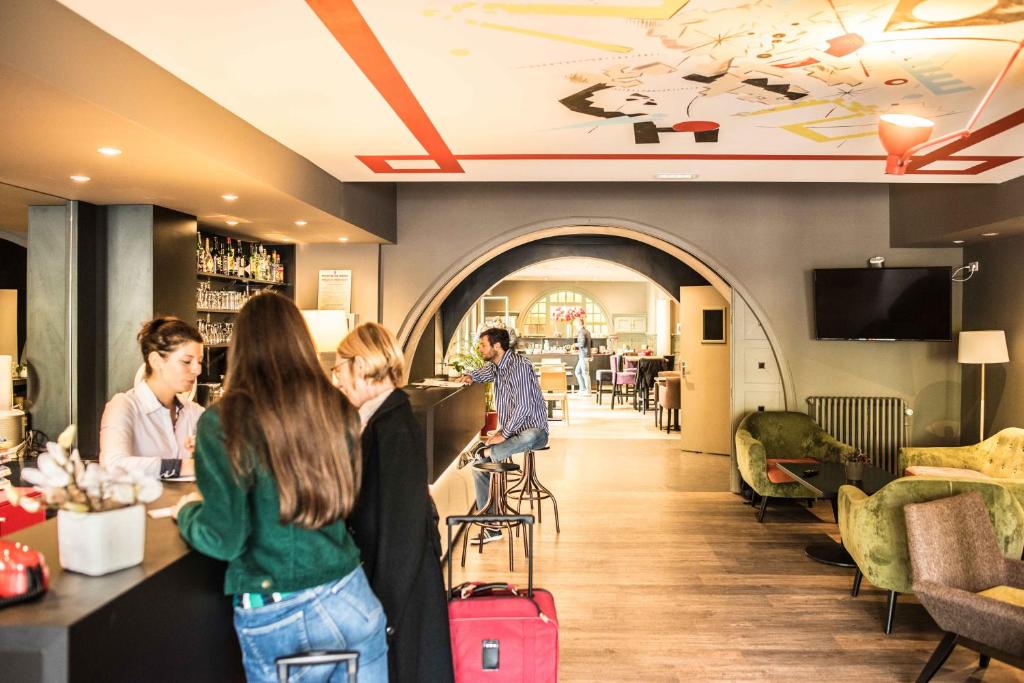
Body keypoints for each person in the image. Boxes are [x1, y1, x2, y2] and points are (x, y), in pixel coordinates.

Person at [173, 293, 387, 683]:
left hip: (279, 609)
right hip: (351, 595)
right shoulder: (336, 409)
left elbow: (225, 538)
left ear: (241, 346)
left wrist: (186, 513)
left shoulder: (225, 420)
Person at [332, 322, 454, 683]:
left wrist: (383, 613)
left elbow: (401, 532)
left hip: (400, 598)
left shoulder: (392, 427)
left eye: (338, 368)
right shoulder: (383, 420)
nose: (336, 380)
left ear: (361, 365)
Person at [461, 327, 549, 544]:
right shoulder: (497, 367)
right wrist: (469, 376)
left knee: (526, 438)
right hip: (510, 434)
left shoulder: (518, 366)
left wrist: (504, 434)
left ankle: (485, 451)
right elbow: (483, 373)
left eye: (483, 345)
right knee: (480, 466)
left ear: (497, 346)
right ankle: (492, 527)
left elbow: (524, 406)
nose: (479, 348)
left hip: (534, 431)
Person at [99, 317, 204, 479]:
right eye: (187, 361)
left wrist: (207, 453)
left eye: (200, 361)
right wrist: (186, 466)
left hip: (186, 503)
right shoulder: (124, 406)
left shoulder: (194, 412)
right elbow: (113, 465)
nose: (197, 370)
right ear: (156, 361)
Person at [573, 317, 592, 396]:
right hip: (584, 355)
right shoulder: (587, 331)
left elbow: (581, 344)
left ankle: (588, 391)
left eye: (575, 324)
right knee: (577, 371)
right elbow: (590, 344)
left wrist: (574, 344)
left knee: (585, 373)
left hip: (584, 355)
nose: (575, 326)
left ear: (579, 323)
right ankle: (583, 389)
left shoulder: (581, 332)